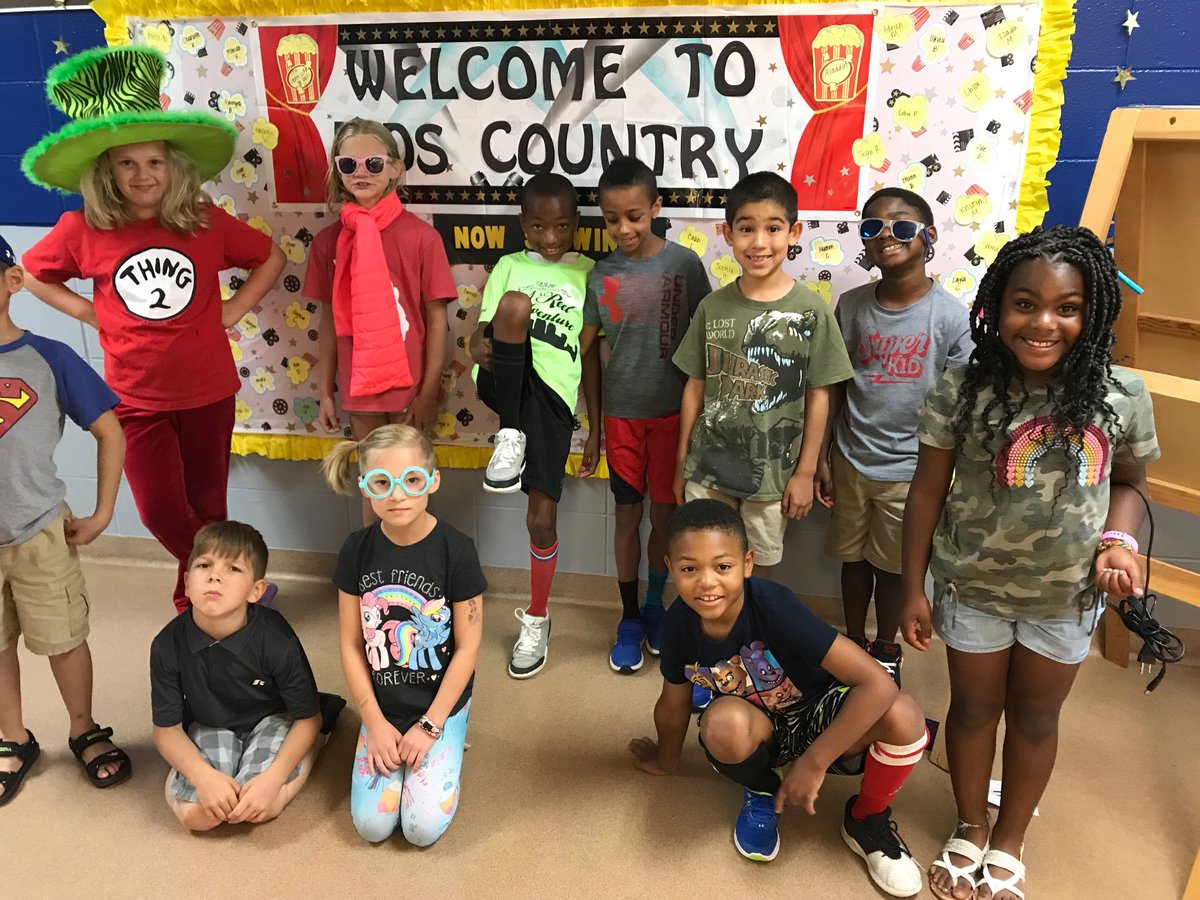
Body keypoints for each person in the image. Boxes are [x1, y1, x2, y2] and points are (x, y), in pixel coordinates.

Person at [900, 227, 1160, 900]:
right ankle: (971, 824)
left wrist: (1120, 542)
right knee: (972, 710)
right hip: (973, 587)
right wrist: (911, 588)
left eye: (1066, 308)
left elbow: (1131, 485)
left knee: (1037, 719)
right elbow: (925, 491)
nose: (1043, 322)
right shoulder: (961, 388)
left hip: (1065, 597)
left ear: (1092, 312)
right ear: (996, 306)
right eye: (1025, 303)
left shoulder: (1122, 393)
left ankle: (1010, 838)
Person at [21, 46, 286, 613]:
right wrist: (84, 311)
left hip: (208, 391)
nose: (143, 175)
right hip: (134, 398)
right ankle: (233, 578)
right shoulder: (82, 228)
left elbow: (270, 257)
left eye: (154, 162)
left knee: (209, 504)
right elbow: (35, 274)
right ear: (107, 170)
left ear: (174, 166)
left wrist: (234, 309)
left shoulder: (205, 222)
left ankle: (200, 603)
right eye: (127, 163)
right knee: (160, 509)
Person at [630, 500, 927, 897]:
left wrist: (813, 763)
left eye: (722, 566)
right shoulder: (677, 625)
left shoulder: (772, 603)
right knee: (721, 723)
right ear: (669, 567)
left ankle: (866, 818)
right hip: (761, 729)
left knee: (904, 715)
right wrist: (665, 760)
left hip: (817, 713)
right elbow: (673, 701)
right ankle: (762, 791)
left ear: (747, 564)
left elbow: (878, 684)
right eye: (689, 569)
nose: (706, 583)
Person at [0, 233, 132, 805]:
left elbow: (109, 431)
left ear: (12, 281)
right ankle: (12, 737)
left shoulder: (50, 358)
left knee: (64, 637)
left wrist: (103, 512)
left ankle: (84, 728)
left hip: (39, 532)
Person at [816, 188, 973, 661]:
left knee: (893, 569)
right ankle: (853, 643)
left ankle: (885, 649)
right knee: (852, 560)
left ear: (929, 237)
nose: (886, 235)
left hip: (911, 473)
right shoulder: (851, 305)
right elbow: (835, 384)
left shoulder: (951, 317)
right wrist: (823, 456)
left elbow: (959, 409)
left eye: (901, 226)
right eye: (872, 227)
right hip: (851, 461)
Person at [672, 171, 853, 580]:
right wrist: (683, 459)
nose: (759, 242)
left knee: (758, 572)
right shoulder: (712, 306)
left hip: (772, 478)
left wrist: (806, 471)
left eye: (772, 228)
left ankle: (752, 625)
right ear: (727, 233)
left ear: (794, 233)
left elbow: (820, 395)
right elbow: (695, 387)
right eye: (746, 228)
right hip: (708, 470)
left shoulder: (811, 310)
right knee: (706, 563)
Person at [323, 425, 485, 846]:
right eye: (383, 483)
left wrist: (431, 725)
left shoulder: (457, 551)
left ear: (433, 480)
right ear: (365, 486)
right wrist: (373, 722)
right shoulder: (355, 550)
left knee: (421, 829)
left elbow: (468, 648)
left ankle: (453, 738)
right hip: (382, 707)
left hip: (438, 707)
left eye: (411, 480)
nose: (397, 495)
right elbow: (351, 644)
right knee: (372, 826)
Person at [580, 155, 711, 674]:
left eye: (634, 216)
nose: (624, 228)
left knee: (665, 517)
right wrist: (594, 428)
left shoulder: (684, 265)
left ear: (656, 207)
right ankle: (630, 616)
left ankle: (657, 606)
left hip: (674, 418)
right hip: (621, 419)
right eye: (612, 219)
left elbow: (709, 341)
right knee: (627, 516)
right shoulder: (600, 274)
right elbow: (589, 356)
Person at [468, 173, 599, 678]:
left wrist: (596, 430)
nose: (550, 236)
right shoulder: (509, 266)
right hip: (505, 381)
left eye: (561, 225)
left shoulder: (590, 272)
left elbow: (592, 356)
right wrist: (474, 345)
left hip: (553, 398)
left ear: (576, 223)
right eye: (539, 226)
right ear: (524, 225)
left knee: (541, 520)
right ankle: (509, 435)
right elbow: (485, 329)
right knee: (516, 305)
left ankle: (538, 619)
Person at [303, 118, 456, 522]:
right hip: (360, 388)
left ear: (395, 168)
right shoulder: (328, 242)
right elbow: (328, 325)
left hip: (410, 387)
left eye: (373, 163)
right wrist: (325, 391)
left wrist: (428, 390)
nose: (361, 173)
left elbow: (436, 320)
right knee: (375, 485)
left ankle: (416, 560)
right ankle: (376, 561)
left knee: (412, 486)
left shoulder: (422, 238)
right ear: (337, 171)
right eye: (348, 165)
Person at [150, 521, 340, 831]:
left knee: (260, 806)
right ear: (186, 582)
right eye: (204, 565)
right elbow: (166, 730)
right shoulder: (167, 644)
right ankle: (182, 776)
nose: (214, 576)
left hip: (272, 719)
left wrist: (274, 778)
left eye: (233, 569)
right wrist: (202, 776)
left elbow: (308, 719)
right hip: (211, 723)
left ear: (256, 591)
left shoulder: (275, 639)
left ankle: (313, 749)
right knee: (198, 817)